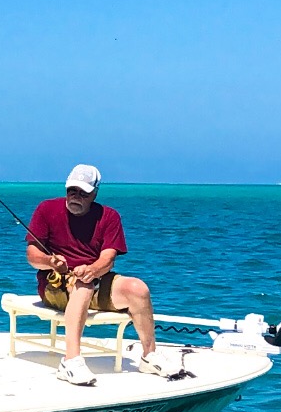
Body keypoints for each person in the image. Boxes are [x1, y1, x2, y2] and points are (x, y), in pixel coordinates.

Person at [24, 163, 176, 385]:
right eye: (71, 191)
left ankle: (149, 355)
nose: (75, 197)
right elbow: (32, 255)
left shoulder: (109, 216)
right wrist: (50, 261)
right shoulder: (46, 209)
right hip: (54, 285)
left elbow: (108, 259)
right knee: (84, 286)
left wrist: (92, 270)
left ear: (94, 193)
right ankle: (71, 361)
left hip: (95, 278)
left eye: (82, 193)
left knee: (138, 289)